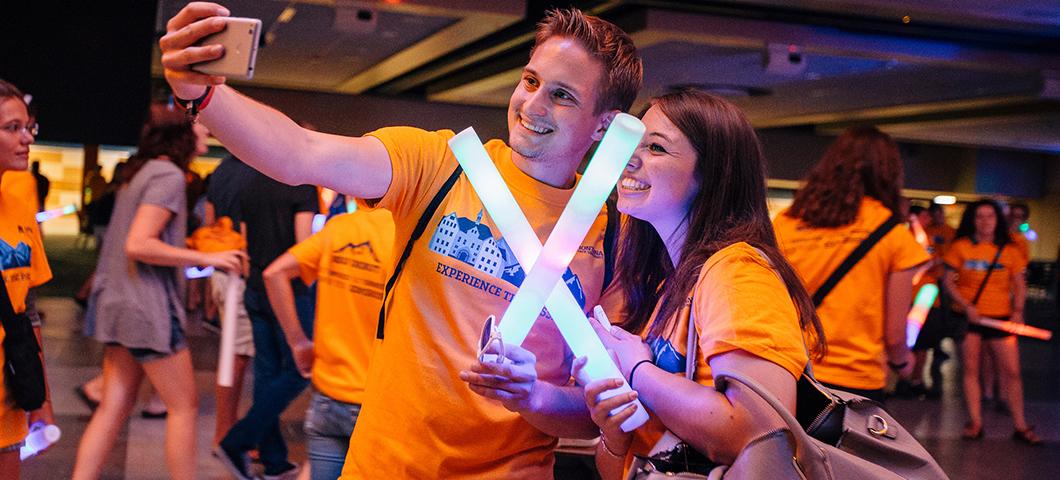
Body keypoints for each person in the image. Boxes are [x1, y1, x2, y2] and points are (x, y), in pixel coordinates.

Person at [160, 3, 641, 477]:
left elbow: (596, 408)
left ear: (604, 123)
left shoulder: (616, 239)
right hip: (384, 466)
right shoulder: (440, 166)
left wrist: (530, 395)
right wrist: (199, 96)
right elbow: (299, 153)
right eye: (531, 80)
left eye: (563, 95)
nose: (532, 104)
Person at [571, 89, 823, 477]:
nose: (629, 160)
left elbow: (759, 434)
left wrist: (638, 370)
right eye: (631, 145)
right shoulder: (670, 287)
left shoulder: (738, 269)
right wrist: (614, 431)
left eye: (655, 148)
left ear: (712, 174)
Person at [72, 109, 245, 480]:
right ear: (181, 134)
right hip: (146, 308)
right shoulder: (167, 175)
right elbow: (139, 244)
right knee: (184, 406)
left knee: (114, 406)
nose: (205, 130)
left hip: (120, 303)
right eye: (199, 124)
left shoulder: (145, 171)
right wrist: (205, 256)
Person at [773, 127, 929, 402]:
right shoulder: (892, 234)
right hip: (855, 377)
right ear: (889, 172)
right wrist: (903, 364)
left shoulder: (787, 222)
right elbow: (895, 334)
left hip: (788, 369)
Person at [263, 203, 394, 480]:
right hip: (379, 403)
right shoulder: (405, 236)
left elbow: (274, 273)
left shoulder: (338, 228)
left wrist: (298, 342)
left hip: (328, 396)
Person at [215, 166, 318, 480]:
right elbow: (303, 246)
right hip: (290, 290)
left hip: (256, 288)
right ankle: (238, 440)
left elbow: (246, 242)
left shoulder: (250, 185)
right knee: (302, 369)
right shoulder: (303, 184)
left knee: (267, 371)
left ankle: (274, 460)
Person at [943, 199, 1041, 445]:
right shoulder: (961, 247)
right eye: (979, 216)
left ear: (998, 220)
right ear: (972, 220)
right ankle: (975, 422)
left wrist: (1018, 310)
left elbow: (1019, 282)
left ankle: (1020, 424)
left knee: (1012, 372)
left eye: (990, 216)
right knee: (971, 370)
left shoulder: (1010, 249)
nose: (985, 221)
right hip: (970, 319)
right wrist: (966, 306)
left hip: (1001, 318)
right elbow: (947, 281)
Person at [0, 78, 54, 479]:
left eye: (28, 127)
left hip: (9, 390)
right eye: (11, 128)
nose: (26, 139)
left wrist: (42, 397)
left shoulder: (19, 207)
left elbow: (28, 311)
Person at [202, 154, 257, 451]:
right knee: (236, 357)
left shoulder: (222, 170)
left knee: (234, 354)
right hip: (241, 270)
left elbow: (209, 222)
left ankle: (228, 431)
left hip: (222, 268)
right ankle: (224, 435)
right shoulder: (256, 171)